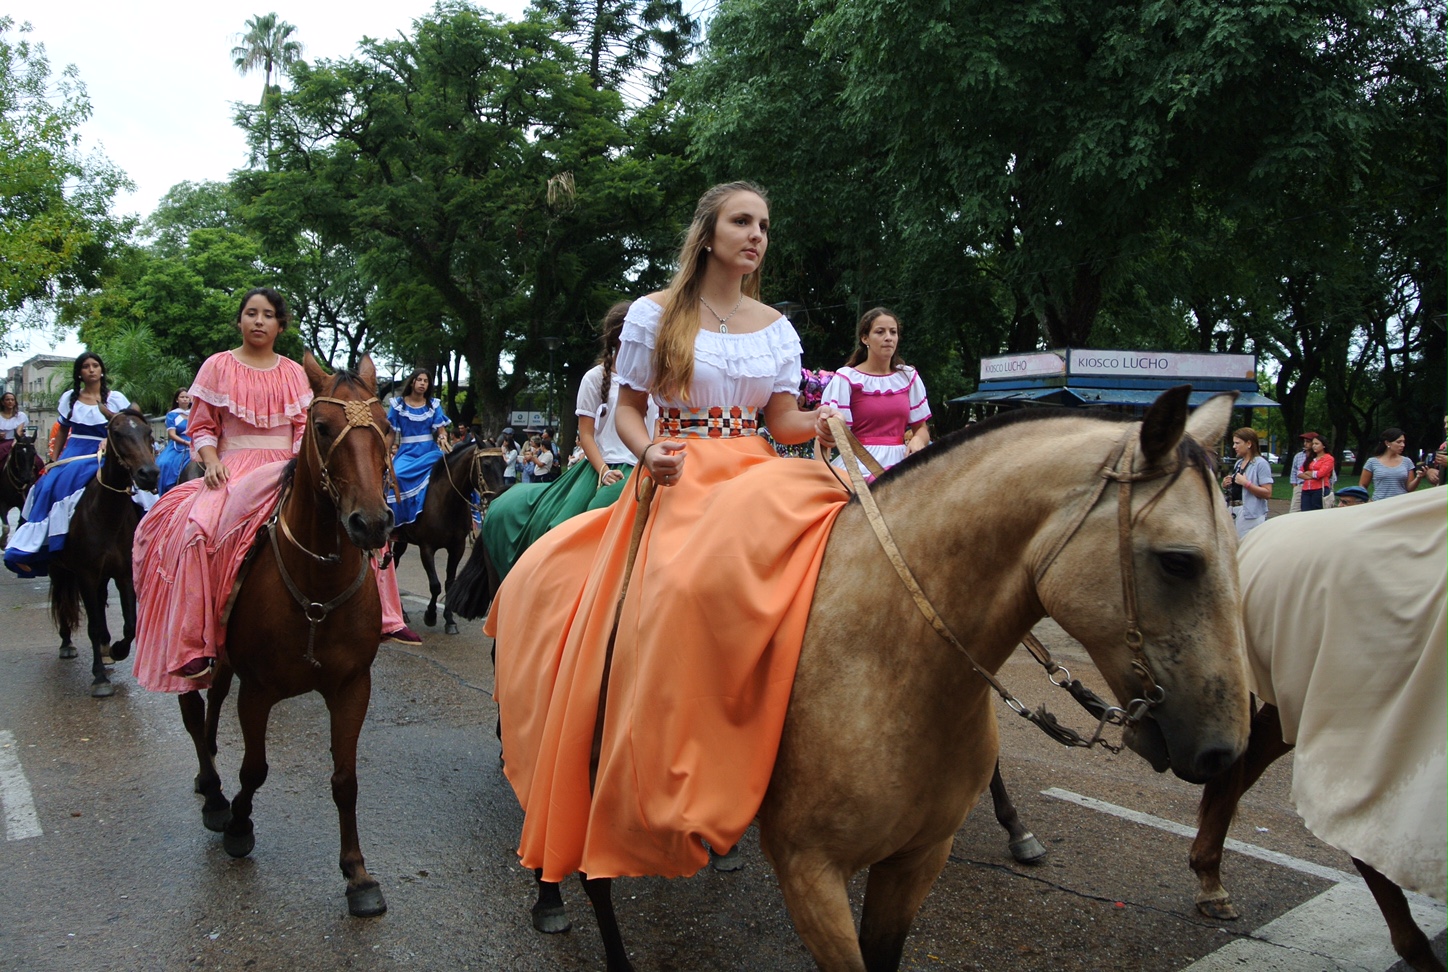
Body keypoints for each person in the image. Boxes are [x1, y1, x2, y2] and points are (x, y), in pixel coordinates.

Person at [484, 181, 849, 882]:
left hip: (758, 470)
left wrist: (825, 422)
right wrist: (648, 450)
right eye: (743, 222)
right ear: (708, 234)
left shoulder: (776, 325)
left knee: (840, 541)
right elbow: (627, 412)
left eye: (766, 226)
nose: (757, 236)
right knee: (680, 586)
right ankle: (668, 760)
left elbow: (781, 424)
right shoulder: (656, 315)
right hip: (679, 471)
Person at [131, 288, 420, 692]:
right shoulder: (216, 366)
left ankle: (388, 615)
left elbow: (306, 430)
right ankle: (197, 641)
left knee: (366, 515)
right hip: (231, 468)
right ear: (239, 321)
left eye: (268, 315)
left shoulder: (291, 371)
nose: (259, 321)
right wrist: (210, 461)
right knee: (197, 528)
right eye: (251, 313)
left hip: (288, 466)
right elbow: (202, 426)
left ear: (280, 326)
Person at [481, 303, 660, 581]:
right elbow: (586, 434)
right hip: (602, 468)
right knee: (564, 528)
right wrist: (602, 471)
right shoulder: (594, 378)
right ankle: (544, 588)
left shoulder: (658, 380)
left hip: (646, 466)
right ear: (618, 338)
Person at [4, 352, 134, 577]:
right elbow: (63, 430)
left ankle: (148, 538)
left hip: (109, 449)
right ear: (80, 373)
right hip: (77, 449)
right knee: (48, 484)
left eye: (95, 365)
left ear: (102, 370)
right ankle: (38, 546)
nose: (91, 369)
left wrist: (109, 439)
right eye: (86, 366)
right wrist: (54, 460)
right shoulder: (69, 398)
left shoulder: (117, 399)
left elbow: (124, 427)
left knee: (144, 487)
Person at [820, 307, 931, 476]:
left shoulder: (908, 377)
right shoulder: (846, 378)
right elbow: (827, 432)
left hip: (901, 464)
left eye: (893, 332)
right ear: (865, 338)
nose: (888, 338)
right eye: (880, 332)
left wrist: (918, 440)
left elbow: (921, 428)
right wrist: (823, 471)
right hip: (858, 465)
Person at [385, 369, 451, 528]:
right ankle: (396, 524)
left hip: (430, 451)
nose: (422, 383)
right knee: (397, 476)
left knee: (448, 474)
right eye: (419, 380)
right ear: (413, 382)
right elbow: (391, 434)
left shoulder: (433, 405)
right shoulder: (398, 404)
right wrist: (385, 453)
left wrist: (443, 438)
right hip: (407, 452)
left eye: (426, 381)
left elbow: (441, 430)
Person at [1222, 427, 1273, 537]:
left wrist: (1246, 484)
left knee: (1246, 548)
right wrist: (1227, 485)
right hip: (1233, 511)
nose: (1234, 446)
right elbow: (1238, 488)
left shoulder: (1261, 463)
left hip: (1250, 515)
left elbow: (1267, 493)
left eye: (1237, 443)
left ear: (1249, 444)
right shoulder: (1239, 463)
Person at [1359, 427, 1423, 502]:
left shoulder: (1407, 462)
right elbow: (1362, 485)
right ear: (1387, 443)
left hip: (1401, 504)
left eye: (1403, 442)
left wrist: (1418, 477)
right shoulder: (1372, 462)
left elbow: (1409, 488)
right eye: (1398, 442)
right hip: (1379, 504)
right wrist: (1367, 500)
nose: (1402, 445)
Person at [155, 388, 193, 495]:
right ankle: (159, 488)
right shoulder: (172, 415)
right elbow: (172, 434)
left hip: (196, 442)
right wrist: (186, 443)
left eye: (187, 397)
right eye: (182, 397)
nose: (185, 399)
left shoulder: (195, 413)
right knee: (163, 463)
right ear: (177, 400)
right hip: (179, 445)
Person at [0, 391, 44, 478]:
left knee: (38, 461)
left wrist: (15, 442)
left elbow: (19, 431)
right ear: (2, 402)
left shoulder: (21, 416)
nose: (10, 401)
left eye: (12, 400)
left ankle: (39, 480)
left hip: (18, 442)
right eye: (7, 400)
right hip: (2, 442)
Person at [1298, 433, 1335, 512]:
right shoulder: (1310, 457)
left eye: (1317, 444)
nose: (1314, 446)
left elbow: (1321, 474)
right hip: (1306, 489)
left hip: (1320, 489)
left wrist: (1308, 473)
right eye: (1313, 444)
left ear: (1323, 445)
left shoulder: (1328, 458)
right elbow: (1299, 473)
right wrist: (1312, 475)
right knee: (1305, 511)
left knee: (1317, 511)